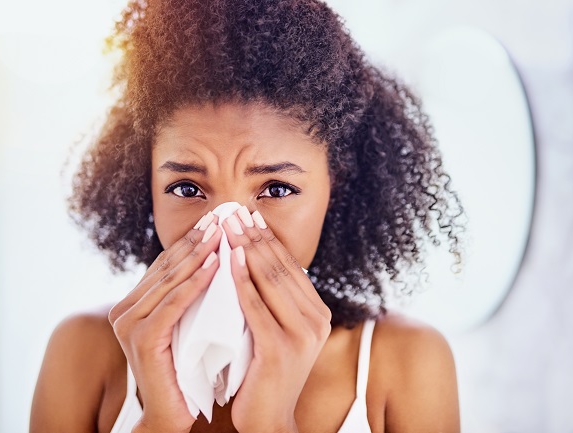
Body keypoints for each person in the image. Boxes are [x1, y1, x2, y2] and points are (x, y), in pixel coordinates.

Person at [30, 0, 465, 432]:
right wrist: (159, 421)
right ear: (143, 187)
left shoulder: (406, 365)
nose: (228, 231)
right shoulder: (83, 353)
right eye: (187, 188)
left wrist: (271, 423)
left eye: (276, 189)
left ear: (338, 186)